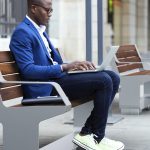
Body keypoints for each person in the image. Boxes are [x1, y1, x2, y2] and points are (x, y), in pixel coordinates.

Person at [9, 0, 124, 149]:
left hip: (55, 80)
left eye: (52, 11)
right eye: (47, 10)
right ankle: (94, 135)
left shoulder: (39, 30)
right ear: (33, 8)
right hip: (44, 87)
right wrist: (64, 67)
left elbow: (55, 62)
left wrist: (75, 65)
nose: (50, 14)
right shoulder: (23, 32)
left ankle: (90, 134)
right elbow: (28, 70)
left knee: (112, 77)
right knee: (103, 81)